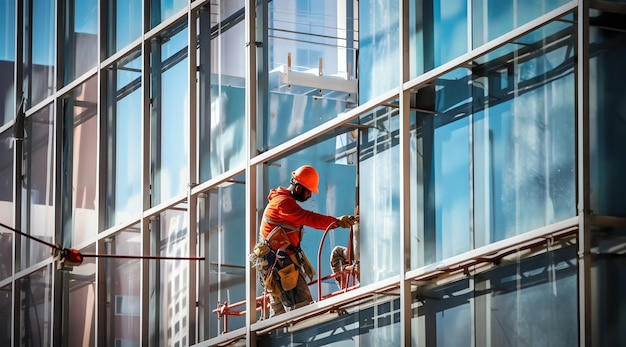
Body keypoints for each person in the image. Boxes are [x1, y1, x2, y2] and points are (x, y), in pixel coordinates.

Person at [257, 164, 355, 317]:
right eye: (308, 191)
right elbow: (309, 218)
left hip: (276, 265)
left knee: (280, 315)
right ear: (298, 188)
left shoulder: (280, 200)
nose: (310, 196)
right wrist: (336, 222)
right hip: (282, 266)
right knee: (302, 312)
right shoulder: (283, 203)